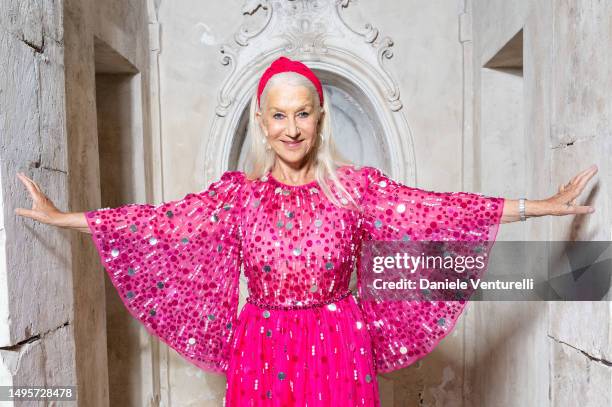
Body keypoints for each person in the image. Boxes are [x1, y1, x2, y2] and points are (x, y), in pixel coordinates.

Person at [14, 56, 597, 406]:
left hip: (340, 344)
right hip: (262, 350)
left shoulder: (354, 188)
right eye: (279, 114)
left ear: (319, 119)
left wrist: (539, 206)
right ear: (262, 125)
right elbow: (159, 224)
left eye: (303, 113)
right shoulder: (237, 197)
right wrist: (66, 217)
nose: (291, 127)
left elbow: (438, 211)